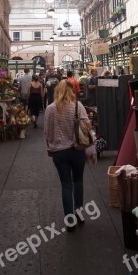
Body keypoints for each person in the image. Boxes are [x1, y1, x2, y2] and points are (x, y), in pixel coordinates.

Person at [44, 80, 91, 231]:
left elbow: (47, 132)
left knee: (66, 185)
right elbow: (87, 126)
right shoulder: (78, 106)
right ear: (71, 91)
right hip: (77, 150)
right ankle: (79, 212)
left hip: (59, 152)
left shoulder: (51, 109)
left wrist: (52, 145)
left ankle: (69, 221)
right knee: (78, 181)